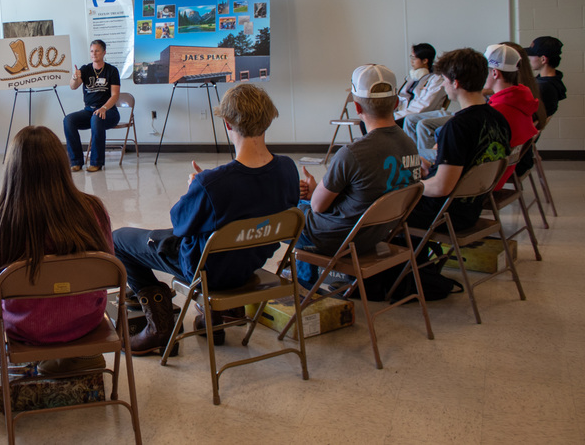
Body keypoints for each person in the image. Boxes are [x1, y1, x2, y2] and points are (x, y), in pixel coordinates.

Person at [112, 84, 299, 355]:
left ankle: (159, 326)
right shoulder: (287, 169)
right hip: (251, 264)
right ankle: (213, 315)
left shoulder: (213, 184)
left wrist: (195, 188)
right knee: (211, 234)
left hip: (206, 271)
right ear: (269, 119)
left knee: (119, 239)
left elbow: (180, 224)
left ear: (227, 123)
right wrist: (206, 186)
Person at [0, 126, 113, 374]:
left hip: (26, 327)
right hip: (86, 322)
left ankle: (43, 360)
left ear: (11, 167)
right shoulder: (92, 209)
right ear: (61, 164)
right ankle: (78, 356)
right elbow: (107, 266)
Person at [296, 65, 421, 288]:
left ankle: (306, 287)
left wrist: (315, 190)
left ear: (356, 107)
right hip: (378, 233)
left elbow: (317, 206)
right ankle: (308, 279)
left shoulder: (352, 153)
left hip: (343, 238)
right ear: (395, 103)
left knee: (291, 211)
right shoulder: (410, 144)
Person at [406, 48, 511, 231]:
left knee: (382, 203)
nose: (444, 86)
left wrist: (409, 186)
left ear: (455, 83)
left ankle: (408, 258)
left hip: (444, 214)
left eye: (445, 81)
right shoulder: (499, 118)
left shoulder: (457, 127)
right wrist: (432, 168)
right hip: (472, 207)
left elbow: (441, 187)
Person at [483, 44, 538, 188]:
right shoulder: (521, 98)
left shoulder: (497, 111)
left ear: (495, 73)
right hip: (499, 175)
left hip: (483, 183)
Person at [63, 39, 120, 172]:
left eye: (97, 51)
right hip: (89, 111)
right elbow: (73, 86)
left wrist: (104, 108)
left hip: (109, 111)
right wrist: (74, 77)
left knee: (97, 117)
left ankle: (96, 162)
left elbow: (115, 95)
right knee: (68, 120)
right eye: (91, 51)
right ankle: (76, 161)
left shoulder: (112, 70)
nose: (94, 54)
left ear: (104, 52)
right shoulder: (86, 69)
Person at [394, 43, 447, 124]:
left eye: (414, 58)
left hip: (416, 119)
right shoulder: (413, 77)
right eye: (411, 57)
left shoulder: (437, 80)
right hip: (403, 114)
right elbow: (402, 97)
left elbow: (424, 106)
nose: (411, 61)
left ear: (425, 61)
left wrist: (395, 116)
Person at [525, 36, 566, 118]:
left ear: (543, 59)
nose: (529, 58)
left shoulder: (545, 86)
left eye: (532, 55)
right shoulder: (545, 80)